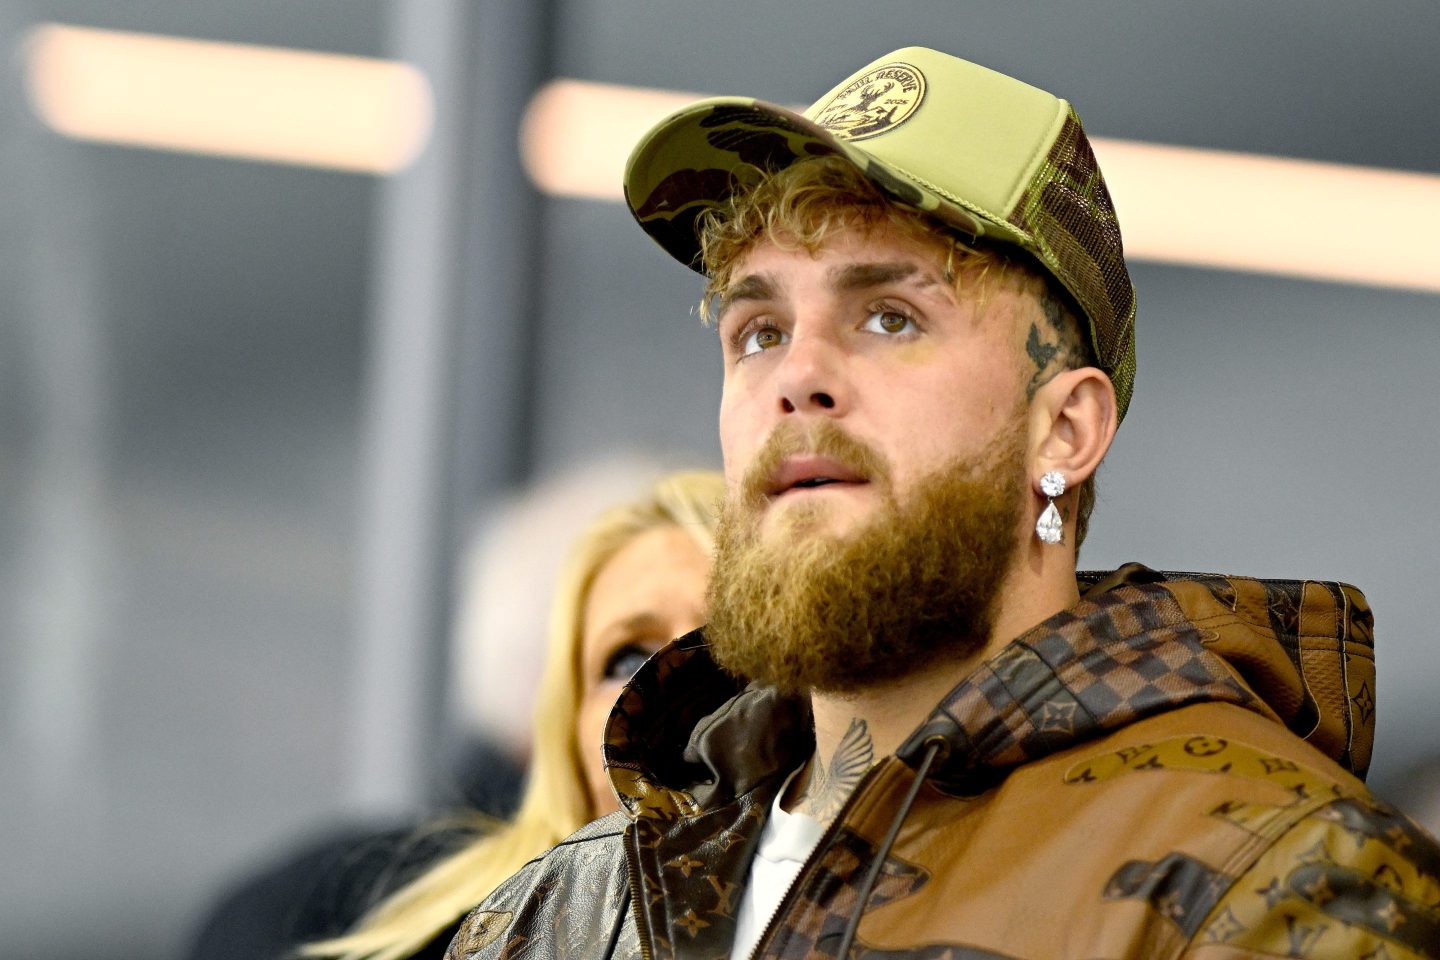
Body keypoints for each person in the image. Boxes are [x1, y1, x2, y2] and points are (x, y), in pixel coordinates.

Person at [445, 47, 1440, 959]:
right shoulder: (562, 914)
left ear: (1066, 431)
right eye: (757, 329)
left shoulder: (1280, 884)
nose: (799, 376)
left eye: (890, 316)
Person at [189, 469, 724, 960]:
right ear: (560, 733)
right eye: (626, 659)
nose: (672, 687)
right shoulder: (382, 922)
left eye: (729, 645)